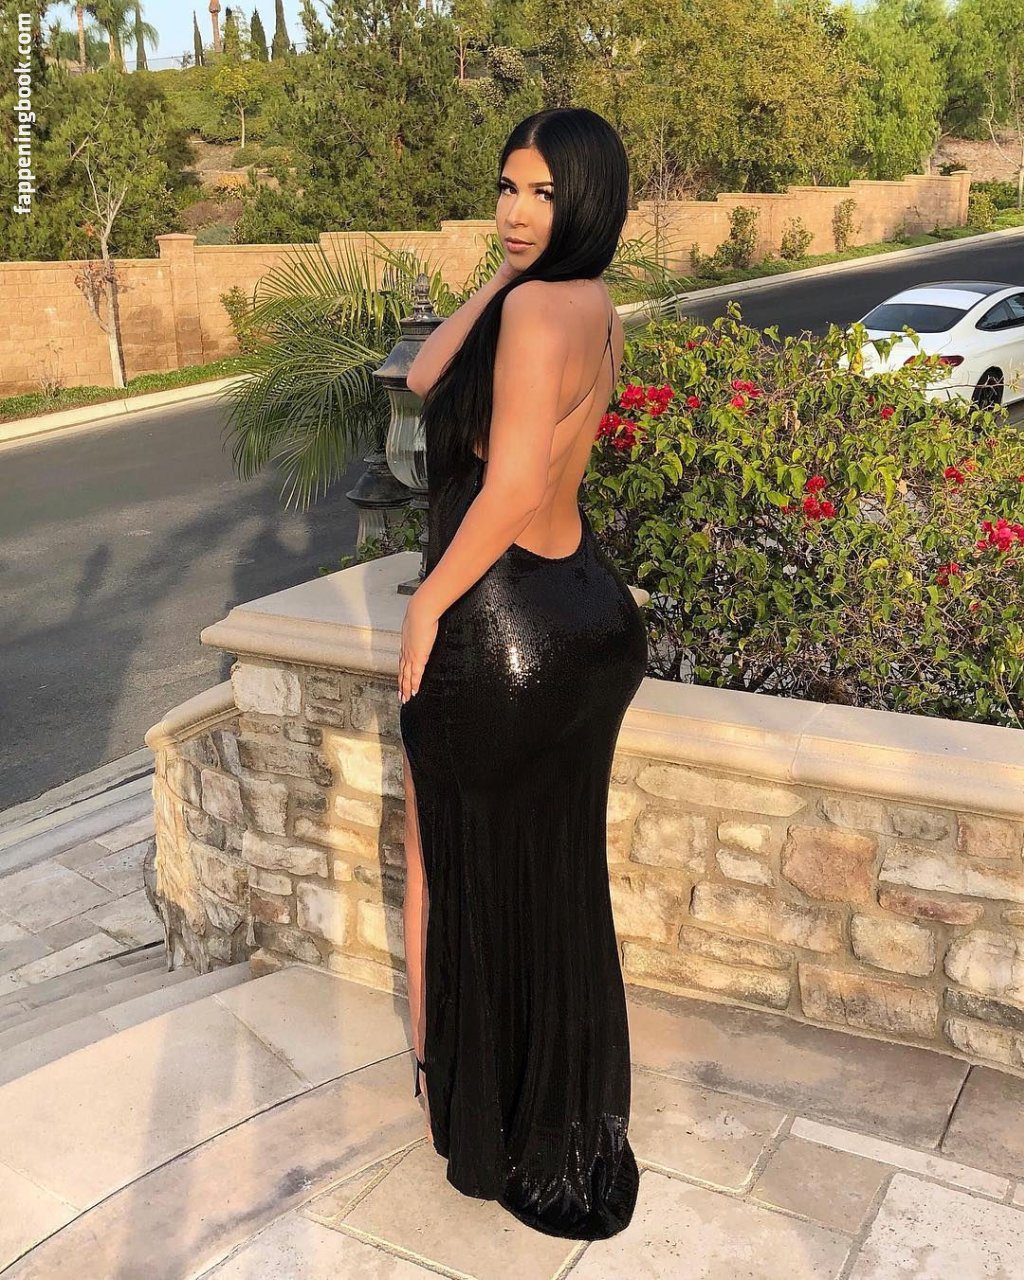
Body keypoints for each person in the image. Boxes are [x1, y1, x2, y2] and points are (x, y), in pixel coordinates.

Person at [397, 107, 648, 1241]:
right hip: (585, 615)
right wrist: (501, 274)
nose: (514, 210)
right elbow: (423, 377)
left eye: (543, 193)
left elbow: (505, 488)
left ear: (586, 198)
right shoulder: (587, 304)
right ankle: (556, 1109)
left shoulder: (543, 310)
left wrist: (426, 606)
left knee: (448, 861)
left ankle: (477, 1114)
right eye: (507, 187)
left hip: (502, 624)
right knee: (553, 877)